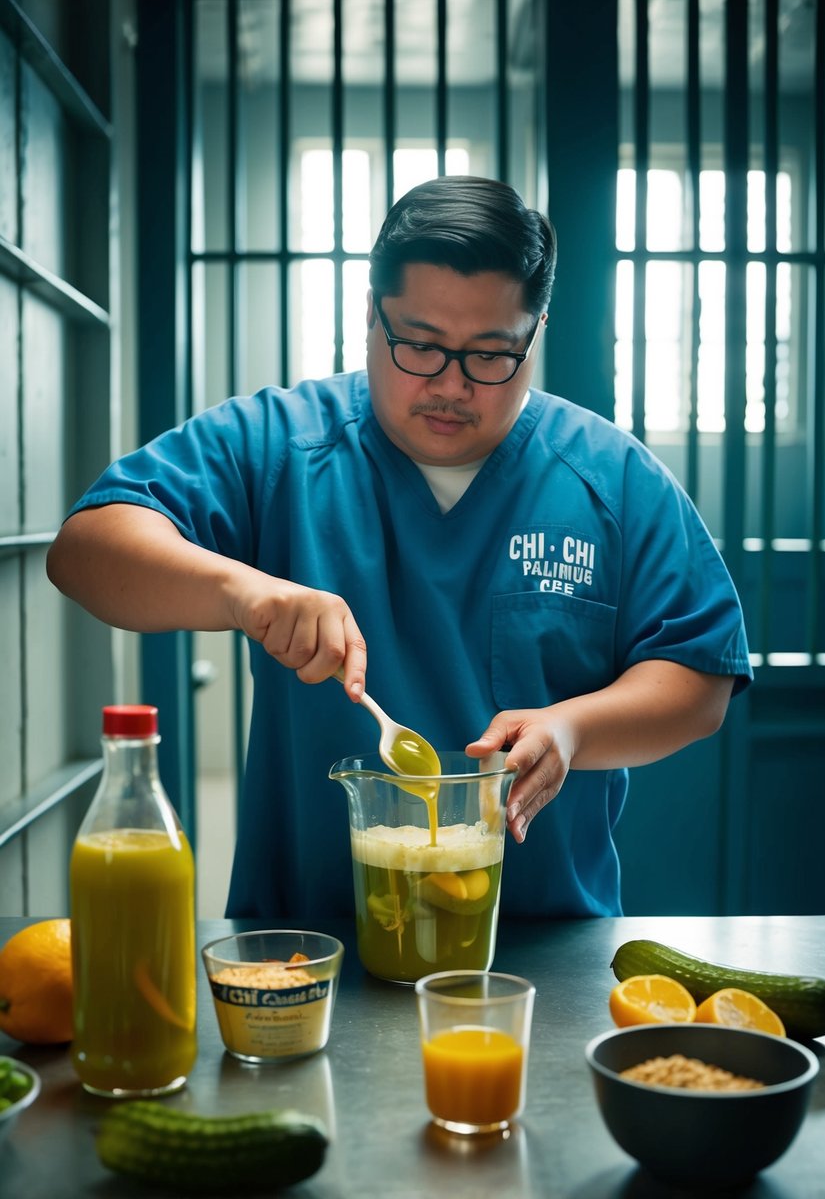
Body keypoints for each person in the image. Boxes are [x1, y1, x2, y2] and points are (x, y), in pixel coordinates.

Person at [47, 176, 752, 920]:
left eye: (490, 355)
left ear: (535, 332)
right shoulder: (281, 444)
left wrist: (572, 728)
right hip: (309, 941)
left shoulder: (608, 476)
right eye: (418, 345)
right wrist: (241, 592)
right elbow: (87, 550)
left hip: (542, 944)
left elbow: (699, 675)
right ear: (369, 318)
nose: (450, 384)